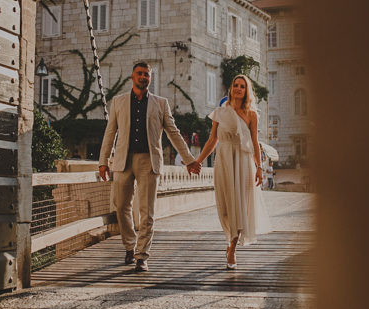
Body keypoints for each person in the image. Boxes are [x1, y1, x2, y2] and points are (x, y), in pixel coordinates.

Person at [99, 62, 198, 272]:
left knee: (147, 211)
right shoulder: (118, 102)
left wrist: (188, 159)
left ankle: (142, 255)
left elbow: (173, 133)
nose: (143, 77)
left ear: (150, 78)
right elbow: (110, 134)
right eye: (140, 74)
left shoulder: (161, 104)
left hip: (149, 161)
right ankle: (129, 245)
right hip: (122, 161)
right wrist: (102, 162)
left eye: (147, 74)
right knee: (121, 206)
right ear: (132, 77)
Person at [188, 75, 271, 269]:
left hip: (243, 163)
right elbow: (212, 140)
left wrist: (259, 167)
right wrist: (197, 161)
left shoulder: (252, 114)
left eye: (242, 86)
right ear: (231, 88)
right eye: (235, 85)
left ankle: (232, 248)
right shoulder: (220, 112)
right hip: (224, 161)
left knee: (240, 207)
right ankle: (229, 239)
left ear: (247, 90)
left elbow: (255, 143)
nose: (238, 89)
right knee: (225, 207)